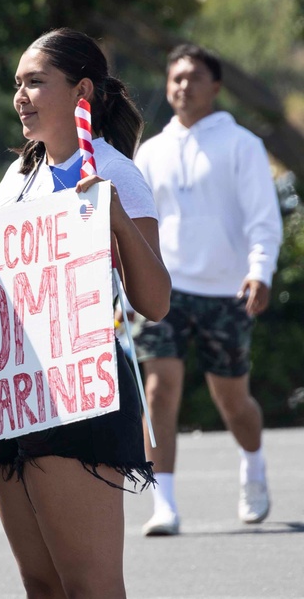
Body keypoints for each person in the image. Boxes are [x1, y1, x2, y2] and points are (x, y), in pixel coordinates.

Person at [0, 28, 172, 597]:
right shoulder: (18, 177)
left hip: (80, 392)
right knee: (40, 583)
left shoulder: (116, 175)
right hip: (10, 392)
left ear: (81, 91)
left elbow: (156, 301)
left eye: (36, 82)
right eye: (17, 83)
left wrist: (111, 216)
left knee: (89, 586)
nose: (20, 95)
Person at [133, 43, 283, 536]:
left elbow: (264, 217)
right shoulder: (151, 150)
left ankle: (254, 468)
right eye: (175, 78)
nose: (183, 86)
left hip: (226, 291)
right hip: (166, 291)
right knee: (158, 391)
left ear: (215, 86)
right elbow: (137, 225)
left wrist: (259, 270)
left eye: (194, 77)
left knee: (232, 400)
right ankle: (165, 504)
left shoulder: (240, 144)